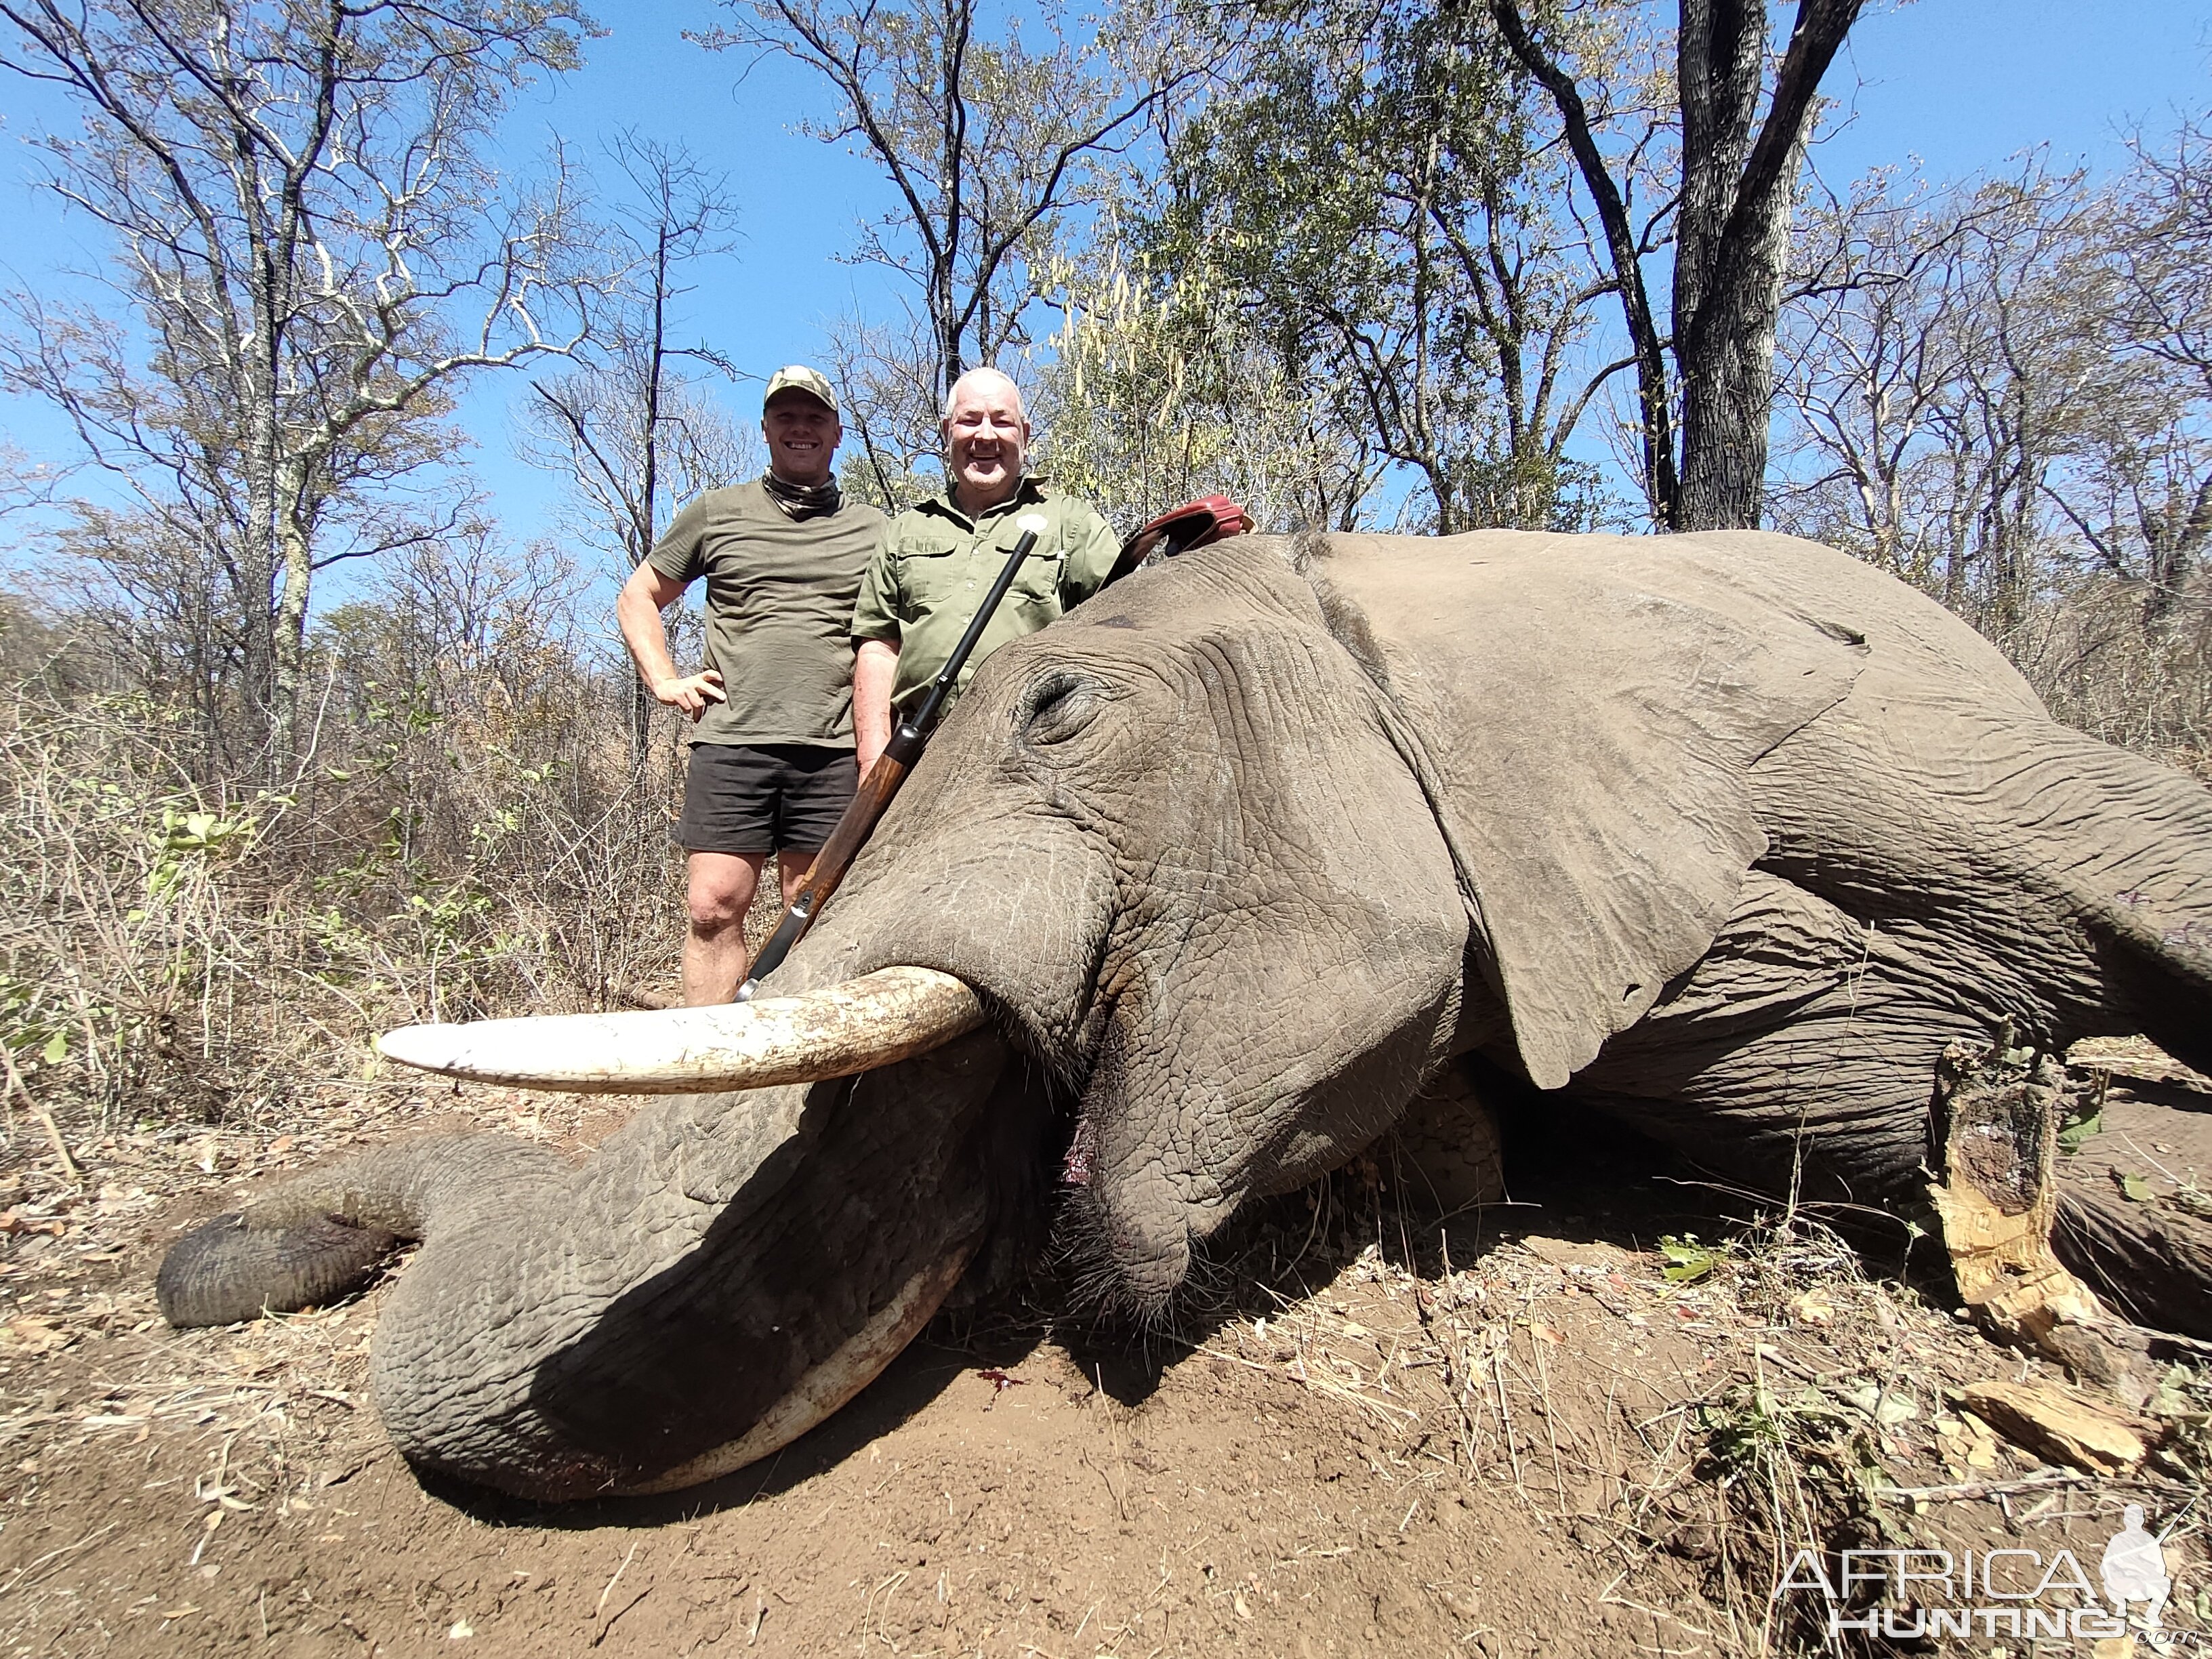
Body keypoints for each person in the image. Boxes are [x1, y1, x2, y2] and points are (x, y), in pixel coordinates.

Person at [617, 366, 886, 1005]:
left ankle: (792, 1081)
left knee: (811, 909)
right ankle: (709, 1079)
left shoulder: (877, 528)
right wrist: (663, 678)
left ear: (837, 433)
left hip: (832, 749)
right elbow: (639, 596)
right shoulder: (718, 512)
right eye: (786, 417)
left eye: (814, 417)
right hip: (733, 743)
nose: (800, 429)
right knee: (713, 906)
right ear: (765, 429)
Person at [851, 367, 1118, 773]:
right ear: (947, 432)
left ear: (1025, 435)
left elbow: (1125, 619)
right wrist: (873, 759)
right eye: (970, 420)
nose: (986, 436)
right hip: (917, 754)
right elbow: (878, 647)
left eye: (1002, 421)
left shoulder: (1071, 522)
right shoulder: (905, 530)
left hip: (1035, 752)